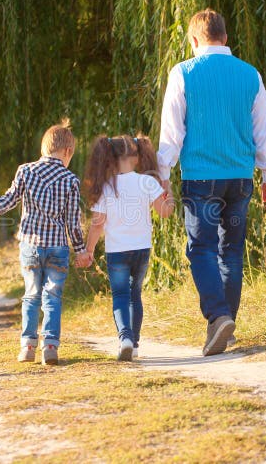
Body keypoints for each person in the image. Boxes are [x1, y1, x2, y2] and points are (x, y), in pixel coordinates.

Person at [157, 9, 266, 356]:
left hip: (201, 179)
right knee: (231, 251)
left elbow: (172, 133)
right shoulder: (249, 75)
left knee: (202, 249)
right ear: (225, 39)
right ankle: (225, 323)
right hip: (240, 178)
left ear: (193, 41)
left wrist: (162, 175)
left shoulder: (183, 73)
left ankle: (218, 315)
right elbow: (263, 129)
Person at [0, 120, 91, 366]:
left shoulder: (26, 171)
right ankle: (51, 346)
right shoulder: (70, 180)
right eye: (70, 156)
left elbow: (8, 201)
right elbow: (73, 222)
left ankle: (28, 346)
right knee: (52, 296)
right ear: (66, 152)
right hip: (57, 247)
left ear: (44, 148)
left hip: (31, 245)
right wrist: (81, 251)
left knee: (31, 295)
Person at [81, 134, 174, 361]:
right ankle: (135, 344)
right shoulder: (147, 181)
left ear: (110, 159)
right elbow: (165, 212)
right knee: (135, 295)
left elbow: (98, 223)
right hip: (142, 248)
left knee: (120, 295)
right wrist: (167, 189)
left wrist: (89, 250)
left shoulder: (106, 187)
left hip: (116, 251)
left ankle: (125, 338)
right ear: (136, 157)